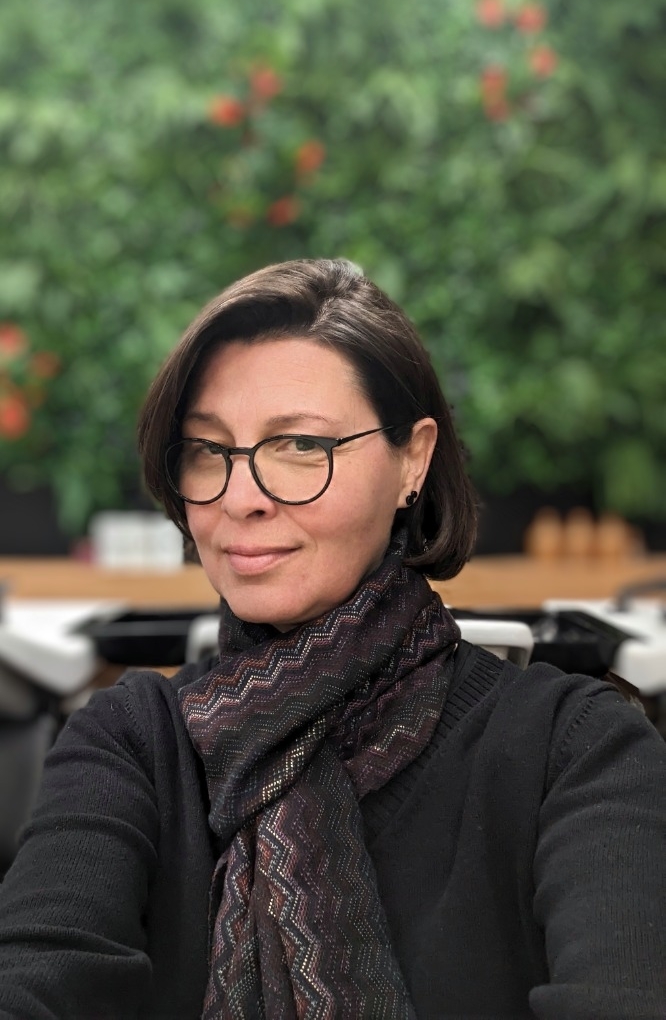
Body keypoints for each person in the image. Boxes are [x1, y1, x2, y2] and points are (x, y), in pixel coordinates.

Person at [0, 258, 664, 1020]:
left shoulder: (575, 751)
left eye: (300, 447)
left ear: (413, 459)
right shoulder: (129, 747)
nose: (241, 498)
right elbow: (39, 976)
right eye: (209, 451)